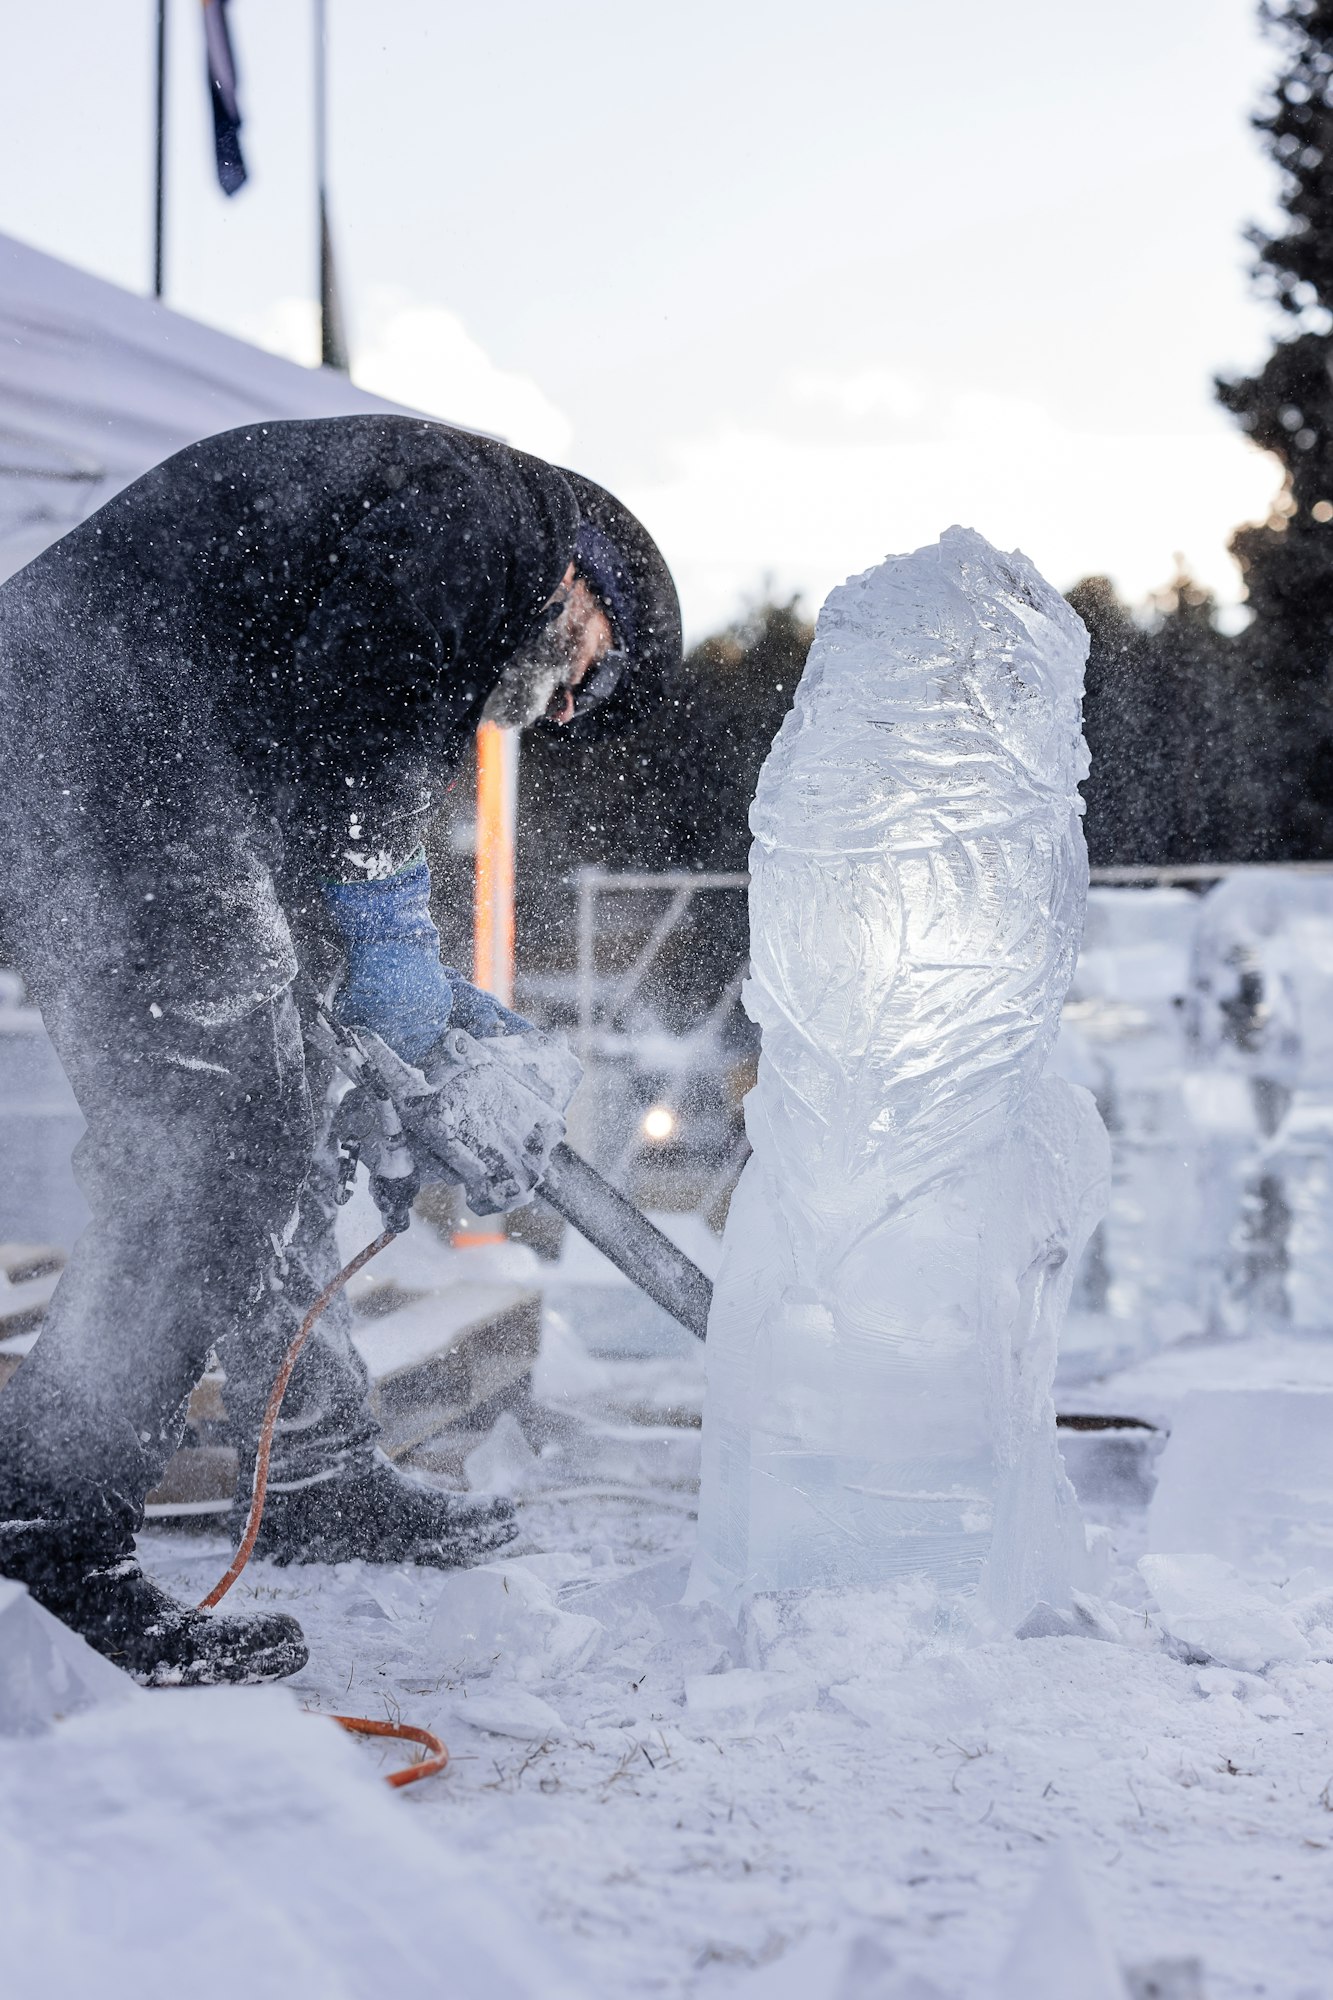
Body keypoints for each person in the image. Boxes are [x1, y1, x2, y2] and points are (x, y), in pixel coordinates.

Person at [0, 415, 681, 1686]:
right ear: (595, 589)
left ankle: (309, 1465)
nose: (552, 705)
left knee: (283, 1106)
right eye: (582, 673)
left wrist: (416, 1002)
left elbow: (318, 758)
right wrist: (382, 941)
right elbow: (364, 731)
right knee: (209, 1144)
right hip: (95, 754)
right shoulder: (497, 521)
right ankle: (40, 1520)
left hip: (125, 758)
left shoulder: (418, 532)